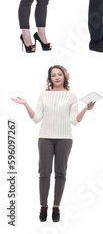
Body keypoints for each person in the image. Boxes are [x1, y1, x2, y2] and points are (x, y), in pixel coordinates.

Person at [10, 66, 94, 222]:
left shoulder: (71, 96)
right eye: (53, 75)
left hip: (64, 138)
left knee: (61, 173)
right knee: (44, 173)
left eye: (59, 74)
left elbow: (74, 121)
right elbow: (36, 119)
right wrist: (25, 104)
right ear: (49, 78)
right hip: (45, 138)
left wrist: (85, 109)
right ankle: (43, 207)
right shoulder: (43, 95)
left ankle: (56, 208)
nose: (56, 77)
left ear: (64, 77)